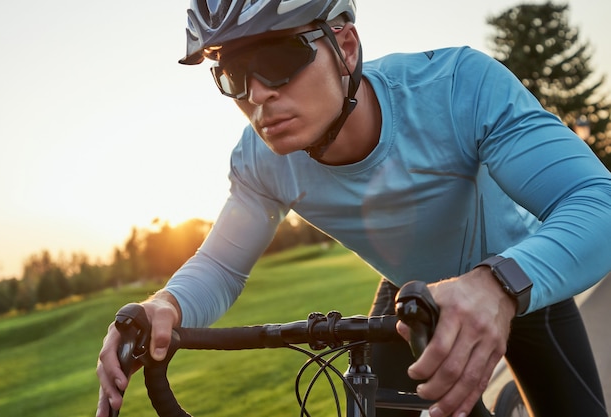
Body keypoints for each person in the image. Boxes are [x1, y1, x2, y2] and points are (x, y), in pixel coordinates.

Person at [96, 1, 611, 416]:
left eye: (278, 59)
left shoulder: (457, 88)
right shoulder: (260, 159)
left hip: (516, 276)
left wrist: (498, 285)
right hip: (409, 291)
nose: (256, 96)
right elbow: (222, 265)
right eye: (231, 74)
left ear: (344, 45)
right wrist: (168, 304)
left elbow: (598, 200)